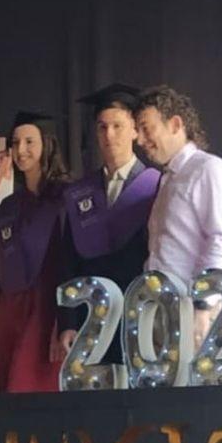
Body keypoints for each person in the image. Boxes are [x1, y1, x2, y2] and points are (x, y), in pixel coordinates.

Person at [57, 84, 161, 364]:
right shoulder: (81, 193)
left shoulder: (157, 185)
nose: (109, 135)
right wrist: (67, 320)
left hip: (140, 312)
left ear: (135, 131)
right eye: (102, 127)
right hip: (92, 315)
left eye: (117, 125)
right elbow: (68, 260)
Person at [134, 85, 222, 343]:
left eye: (146, 128)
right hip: (165, 311)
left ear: (175, 124)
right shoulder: (168, 179)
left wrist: (203, 308)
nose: (139, 140)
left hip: (198, 314)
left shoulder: (209, 169)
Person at [0, 111, 72, 393]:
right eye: (15, 143)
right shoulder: (9, 206)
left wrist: (62, 319)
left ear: (46, 144)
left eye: (29, 142)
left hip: (48, 305)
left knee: (33, 383)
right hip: (13, 305)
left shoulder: (66, 197)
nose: (20, 150)